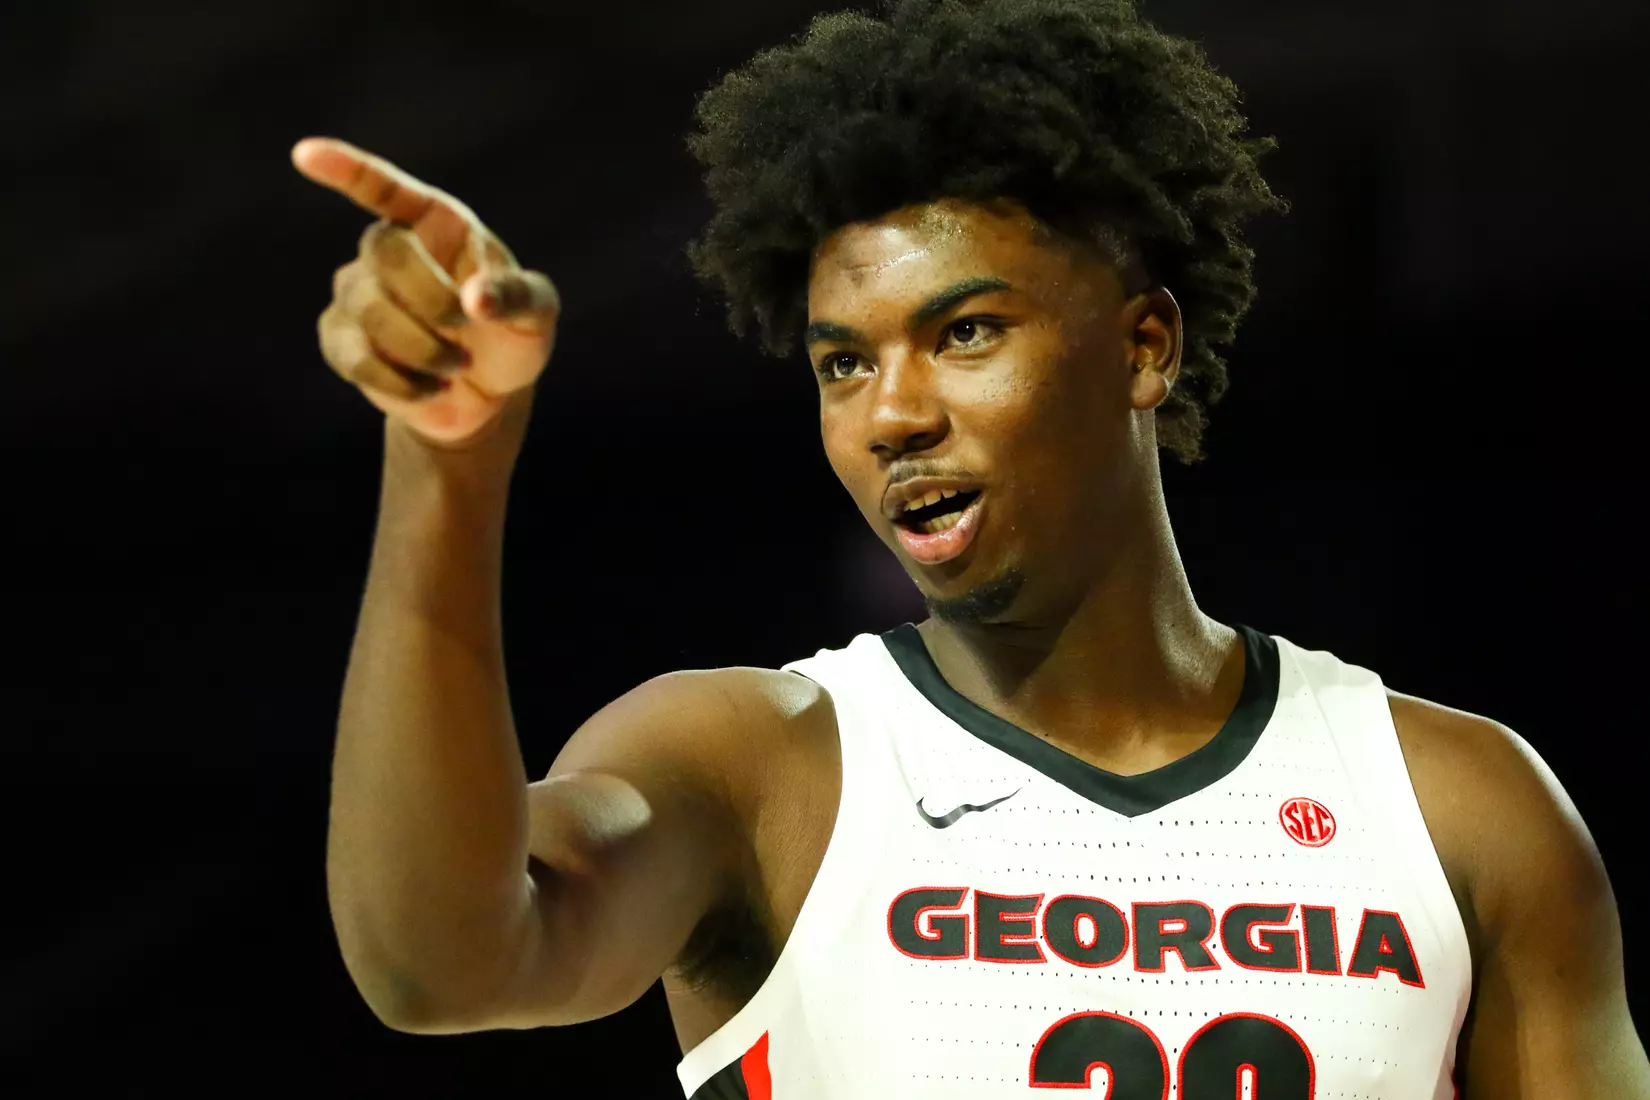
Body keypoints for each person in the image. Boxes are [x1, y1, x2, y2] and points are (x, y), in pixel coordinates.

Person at [296, 1, 1648, 1096]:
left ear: (1141, 346)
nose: (890, 414)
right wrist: (450, 457)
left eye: (965, 332)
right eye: (841, 363)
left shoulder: (1460, 804)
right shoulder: (754, 766)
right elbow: (440, 965)